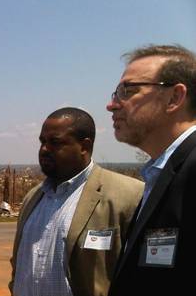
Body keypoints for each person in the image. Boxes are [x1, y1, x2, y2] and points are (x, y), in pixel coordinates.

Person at [9, 107, 143, 296]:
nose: (44, 149)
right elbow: (19, 264)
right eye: (42, 141)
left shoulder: (127, 195)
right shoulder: (33, 198)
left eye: (55, 142)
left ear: (84, 147)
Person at [106, 44, 196, 295]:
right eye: (116, 93)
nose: (112, 105)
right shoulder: (162, 173)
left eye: (128, 91)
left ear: (174, 97)